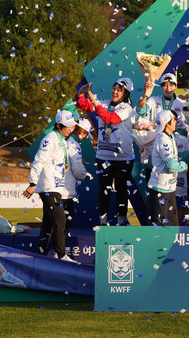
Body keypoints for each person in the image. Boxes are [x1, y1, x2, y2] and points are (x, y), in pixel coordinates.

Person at [75, 78, 135, 226]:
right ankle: (103, 223)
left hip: (123, 158)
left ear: (126, 93)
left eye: (119, 90)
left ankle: (121, 223)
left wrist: (94, 101)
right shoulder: (104, 103)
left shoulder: (126, 108)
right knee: (103, 191)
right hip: (103, 156)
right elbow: (83, 105)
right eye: (114, 88)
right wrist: (81, 93)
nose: (115, 92)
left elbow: (110, 118)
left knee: (121, 191)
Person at [23, 110, 78, 261]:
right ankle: (61, 255)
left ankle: (40, 255)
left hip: (56, 187)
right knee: (60, 220)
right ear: (59, 126)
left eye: (72, 126)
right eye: (67, 126)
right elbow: (38, 161)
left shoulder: (61, 139)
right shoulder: (49, 139)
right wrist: (33, 183)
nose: (71, 129)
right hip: (48, 188)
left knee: (48, 223)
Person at [147, 110, 188, 226]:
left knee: (171, 227)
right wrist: (184, 165)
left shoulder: (170, 136)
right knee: (158, 228)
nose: (176, 122)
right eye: (173, 120)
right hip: (159, 189)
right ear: (167, 123)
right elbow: (171, 166)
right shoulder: (163, 139)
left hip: (169, 189)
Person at [61, 119, 91, 235]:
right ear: (78, 131)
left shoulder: (60, 140)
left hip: (53, 189)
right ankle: (59, 247)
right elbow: (77, 168)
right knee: (64, 226)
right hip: (65, 191)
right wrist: (85, 175)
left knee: (50, 225)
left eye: (85, 134)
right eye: (84, 133)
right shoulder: (74, 145)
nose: (83, 136)